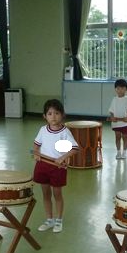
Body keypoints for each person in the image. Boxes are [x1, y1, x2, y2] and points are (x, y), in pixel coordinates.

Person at [33, 99, 79, 233]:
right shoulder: (43, 130)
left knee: (57, 194)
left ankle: (58, 220)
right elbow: (36, 145)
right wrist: (36, 153)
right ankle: (49, 219)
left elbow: (75, 148)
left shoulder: (65, 132)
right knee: (45, 194)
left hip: (58, 168)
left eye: (57, 113)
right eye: (50, 113)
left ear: (62, 115)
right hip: (42, 165)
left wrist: (62, 157)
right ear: (44, 116)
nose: (53, 116)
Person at [107, 78, 127, 160]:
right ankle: (118, 152)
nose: (120, 90)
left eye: (122, 88)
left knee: (125, 137)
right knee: (117, 137)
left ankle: (124, 152)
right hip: (116, 122)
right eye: (118, 88)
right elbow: (111, 110)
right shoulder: (114, 99)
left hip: (125, 122)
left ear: (126, 89)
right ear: (115, 89)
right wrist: (112, 117)